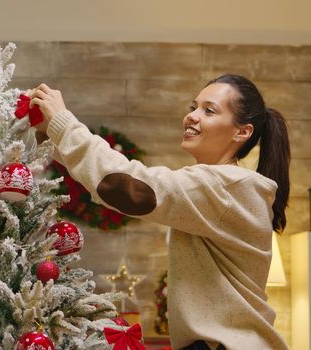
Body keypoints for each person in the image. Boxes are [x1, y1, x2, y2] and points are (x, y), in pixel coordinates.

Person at [28, 74, 290, 350]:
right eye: (193, 107)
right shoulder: (221, 185)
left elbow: (132, 189)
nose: (192, 116)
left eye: (209, 110)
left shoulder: (231, 186)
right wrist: (50, 133)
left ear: (242, 132)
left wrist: (64, 124)